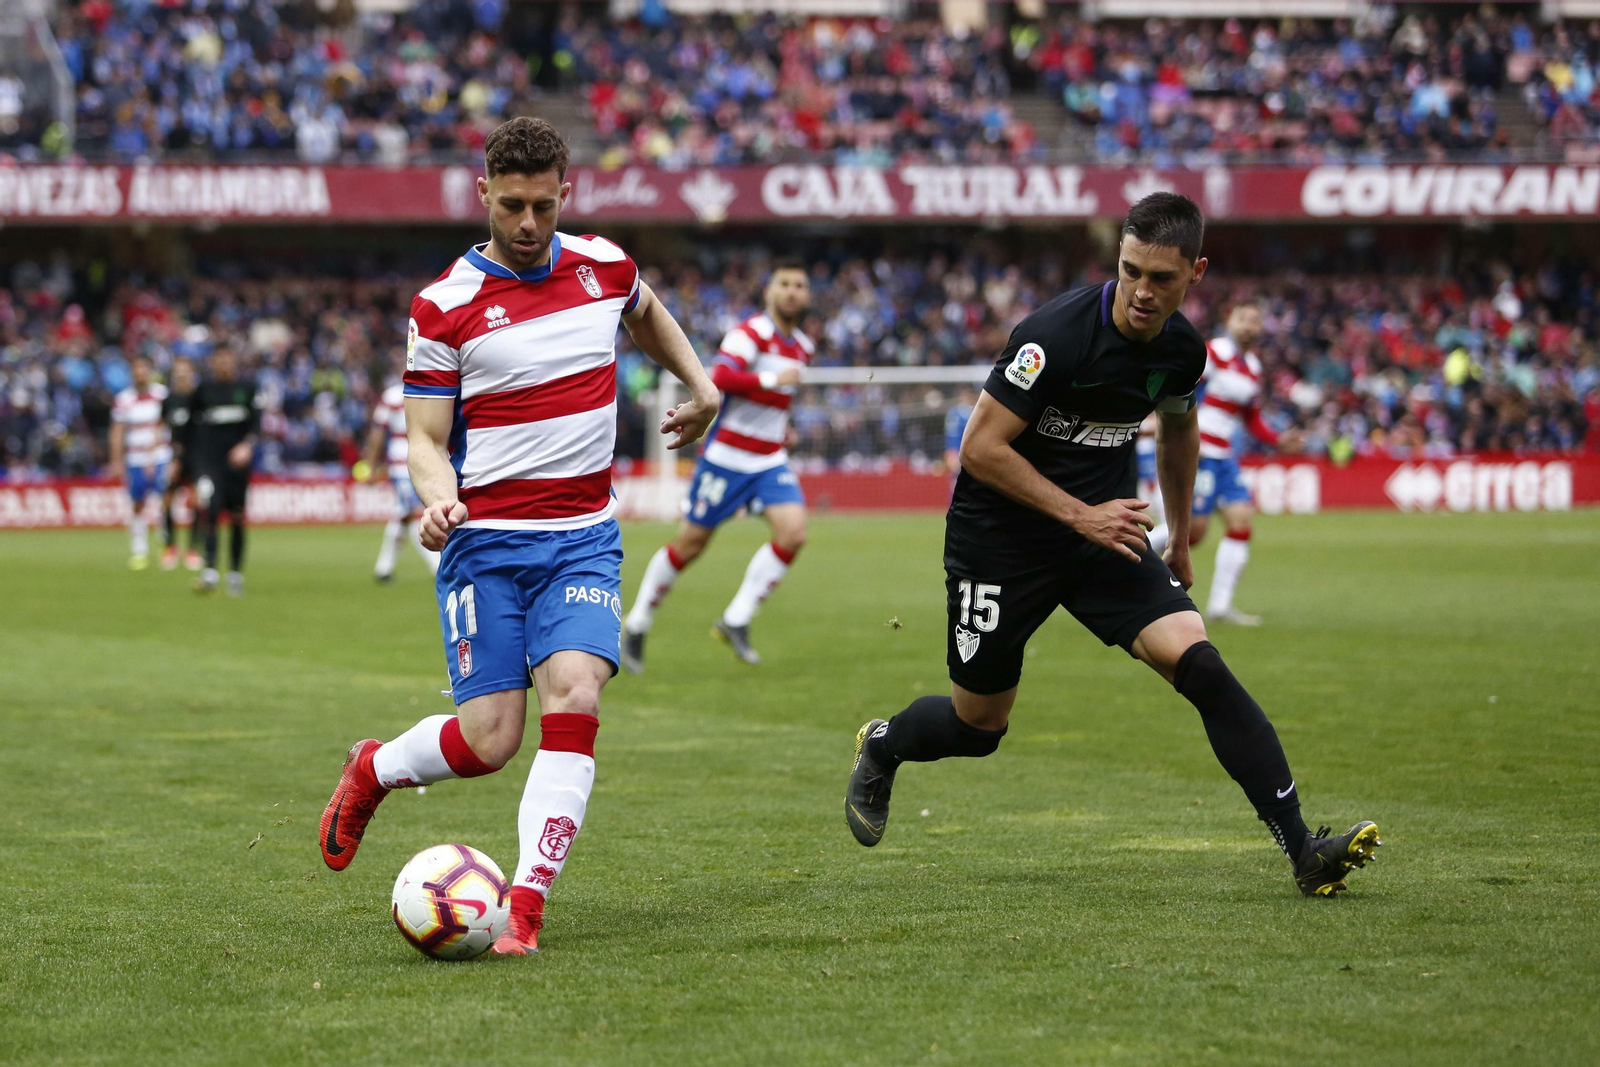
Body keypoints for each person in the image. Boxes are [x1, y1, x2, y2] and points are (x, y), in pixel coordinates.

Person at [844, 194, 1380, 898]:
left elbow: (1180, 428)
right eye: (1131, 271)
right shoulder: (1054, 336)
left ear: (1196, 273)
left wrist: (1183, 534)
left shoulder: (1185, 352)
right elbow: (978, 448)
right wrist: (1081, 515)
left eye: (1161, 277)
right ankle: (884, 745)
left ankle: (1303, 848)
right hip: (1001, 542)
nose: (1142, 291)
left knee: (1204, 667)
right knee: (979, 725)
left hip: (1104, 539)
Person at [317, 117, 719, 955]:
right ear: (483, 196)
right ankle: (373, 769)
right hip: (486, 541)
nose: (528, 224)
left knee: (575, 693)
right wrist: (436, 502)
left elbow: (644, 312)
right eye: (511, 207)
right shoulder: (445, 306)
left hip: (581, 537)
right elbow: (426, 438)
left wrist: (702, 382)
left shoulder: (602, 265)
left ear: (565, 194)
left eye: (542, 205)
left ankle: (527, 906)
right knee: (491, 739)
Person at [621, 260, 813, 671]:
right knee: (689, 546)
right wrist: (770, 382)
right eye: (785, 283)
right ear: (770, 292)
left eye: (800, 285)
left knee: (794, 533)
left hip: (768, 460)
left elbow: (775, 405)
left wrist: (785, 427)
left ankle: (735, 619)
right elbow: (720, 377)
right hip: (726, 461)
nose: (793, 291)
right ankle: (637, 622)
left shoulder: (802, 345)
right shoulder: (751, 335)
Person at [1148, 301, 1297, 625]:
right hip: (1199, 453)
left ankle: (1220, 605)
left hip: (1225, 456)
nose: (1249, 326)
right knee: (1192, 532)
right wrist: (1182, 438)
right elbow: (1178, 392)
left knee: (1241, 521)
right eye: (1243, 318)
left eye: (1255, 321)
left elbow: (1252, 419)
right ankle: (1118, 554)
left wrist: (1277, 440)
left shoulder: (1253, 367)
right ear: (1228, 320)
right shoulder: (1211, 354)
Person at [188, 345, 260, 596]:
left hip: (237, 467)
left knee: (238, 518)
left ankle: (235, 574)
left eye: (227, 360)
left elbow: (256, 425)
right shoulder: (203, 391)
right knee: (211, 510)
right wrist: (191, 464)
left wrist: (247, 445)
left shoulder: (247, 389)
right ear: (212, 363)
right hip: (210, 463)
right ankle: (209, 571)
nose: (223, 365)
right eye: (219, 361)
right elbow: (189, 428)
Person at [362, 372, 439, 581]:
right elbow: (378, 434)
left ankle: (384, 569)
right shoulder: (415, 394)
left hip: (418, 460)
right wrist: (371, 466)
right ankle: (437, 565)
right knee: (413, 512)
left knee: (403, 514)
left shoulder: (393, 397)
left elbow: (377, 434)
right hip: (404, 464)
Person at [108, 354, 171, 570]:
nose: (140, 372)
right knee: (137, 504)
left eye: (144, 368)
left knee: (164, 503)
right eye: (136, 368)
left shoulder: (162, 395)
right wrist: (116, 460)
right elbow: (117, 431)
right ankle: (139, 550)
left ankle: (166, 547)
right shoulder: (124, 399)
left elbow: (165, 425)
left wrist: (156, 452)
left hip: (160, 456)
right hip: (135, 458)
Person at [159, 356, 202, 571]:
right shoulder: (170, 400)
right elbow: (162, 427)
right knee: (167, 501)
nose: (181, 374)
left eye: (185, 370)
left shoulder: (198, 398)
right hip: (173, 457)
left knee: (195, 501)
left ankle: (193, 550)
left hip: (194, 456)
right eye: (178, 370)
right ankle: (170, 547)